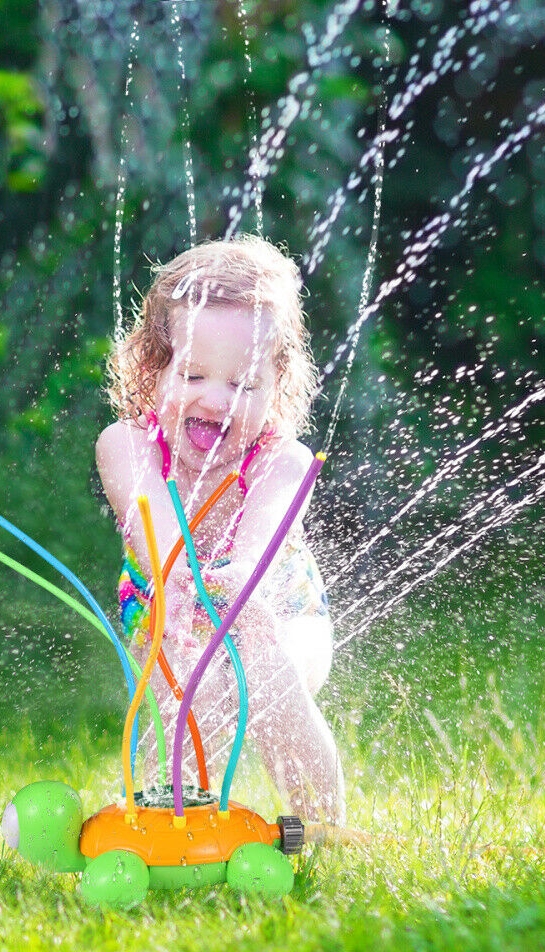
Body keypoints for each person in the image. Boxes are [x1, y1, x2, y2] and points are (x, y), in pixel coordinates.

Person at [96, 234, 346, 825]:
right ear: (150, 369)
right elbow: (152, 522)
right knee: (187, 700)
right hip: (168, 616)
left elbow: (260, 545)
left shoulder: (281, 460)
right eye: (194, 376)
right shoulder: (128, 446)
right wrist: (176, 575)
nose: (218, 400)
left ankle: (321, 827)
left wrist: (242, 588)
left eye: (243, 385)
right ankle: (170, 824)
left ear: (276, 389)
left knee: (266, 673)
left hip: (280, 613)